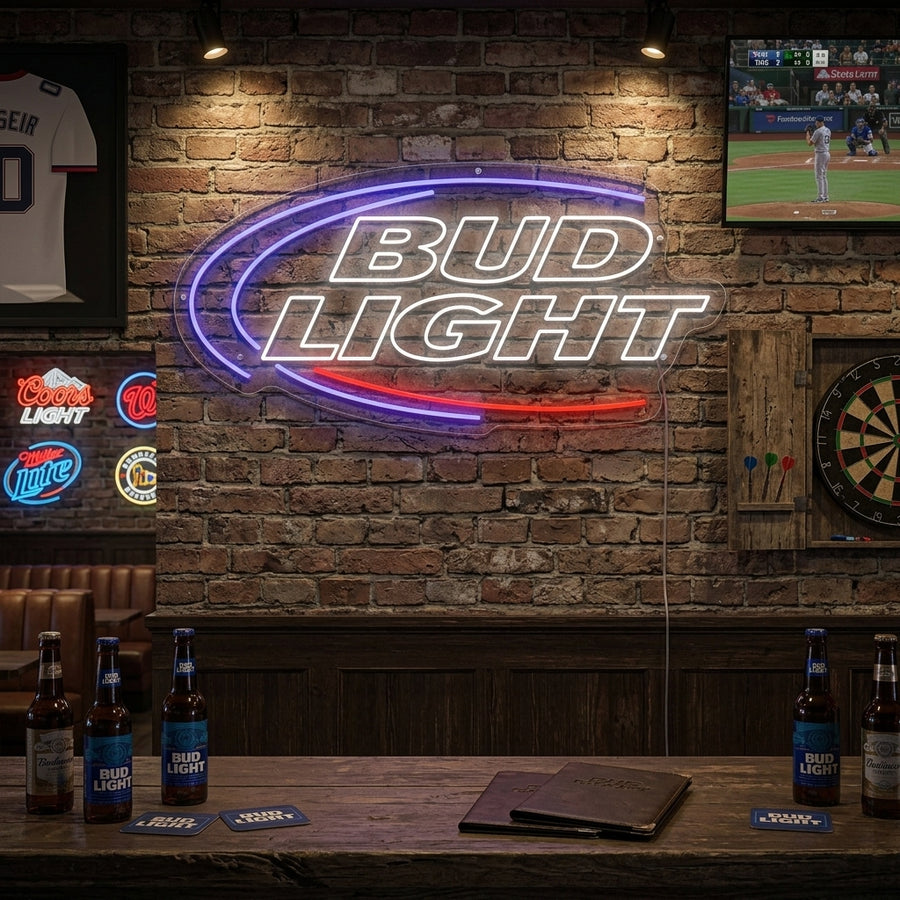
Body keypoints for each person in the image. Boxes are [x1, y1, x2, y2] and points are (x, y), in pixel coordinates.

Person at [806, 115, 831, 202]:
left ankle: (821, 197)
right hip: (827, 154)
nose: (815, 124)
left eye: (817, 122)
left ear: (821, 122)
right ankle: (825, 196)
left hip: (820, 154)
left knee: (819, 176)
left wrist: (808, 134)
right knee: (823, 176)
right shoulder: (828, 130)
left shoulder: (818, 131)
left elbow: (810, 143)